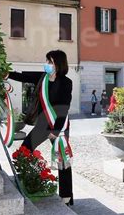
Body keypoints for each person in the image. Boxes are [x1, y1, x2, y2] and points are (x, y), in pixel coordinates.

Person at [6, 50, 74, 205]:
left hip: (59, 125)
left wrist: (55, 132)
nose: (47, 64)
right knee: (25, 149)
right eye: (47, 61)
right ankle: (27, 182)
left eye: (50, 62)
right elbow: (23, 77)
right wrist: (7, 74)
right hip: (43, 123)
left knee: (62, 159)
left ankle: (66, 196)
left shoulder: (66, 82)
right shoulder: (42, 78)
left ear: (58, 64)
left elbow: (64, 107)